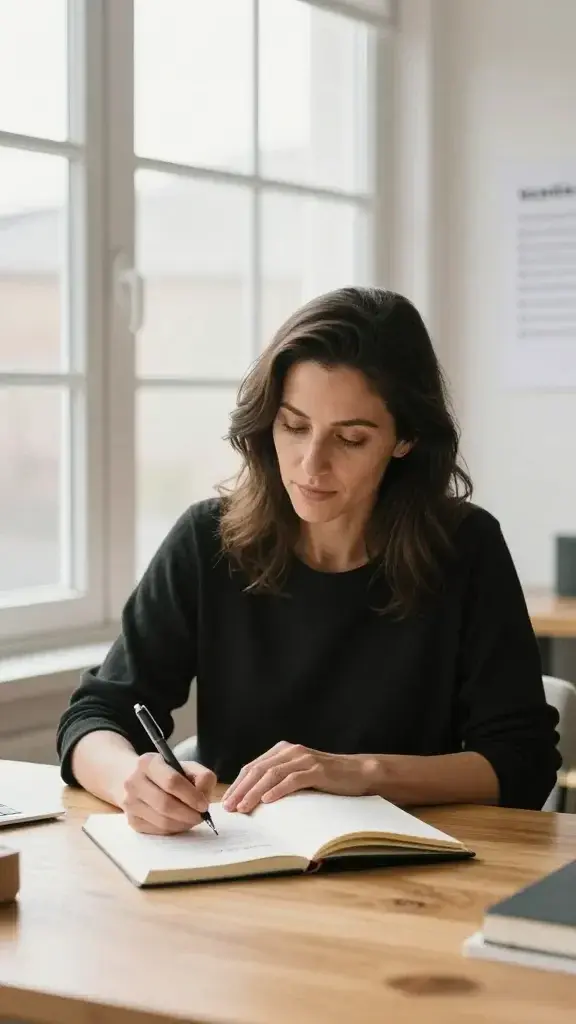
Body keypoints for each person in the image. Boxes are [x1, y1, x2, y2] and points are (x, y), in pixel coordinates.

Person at [57, 287, 560, 835]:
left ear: (405, 439)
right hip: (241, 863)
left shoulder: (467, 548)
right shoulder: (207, 540)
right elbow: (95, 716)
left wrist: (360, 773)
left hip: (411, 872)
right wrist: (133, 779)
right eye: (294, 426)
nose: (310, 464)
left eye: (350, 439)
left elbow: (522, 762)